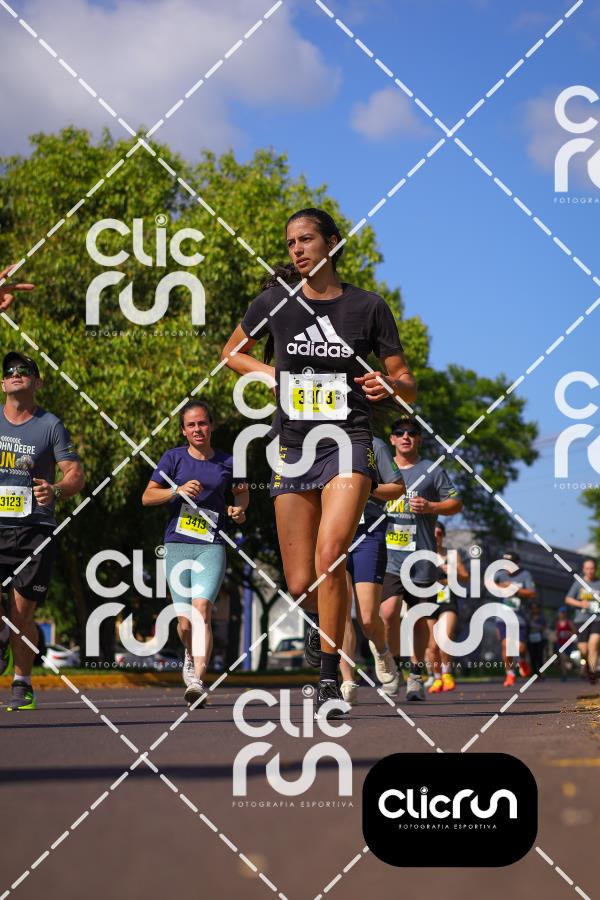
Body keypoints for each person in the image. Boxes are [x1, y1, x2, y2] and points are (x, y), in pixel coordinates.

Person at [221, 207, 416, 718]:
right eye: (291, 243)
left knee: (331, 556)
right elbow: (231, 352)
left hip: (348, 439)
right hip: (293, 446)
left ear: (332, 242)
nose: (297, 249)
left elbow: (406, 381)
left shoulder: (368, 307)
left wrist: (390, 385)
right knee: (298, 583)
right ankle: (351, 633)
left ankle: (329, 679)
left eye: (306, 239)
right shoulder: (275, 302)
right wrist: (274, 376)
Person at [142, 400, 249, 706]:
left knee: (202, 610)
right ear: (183, 431)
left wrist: (239, 510)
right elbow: (147, 497)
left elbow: (242, 493)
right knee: (185, 622)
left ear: (211, 426)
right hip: (177, 544)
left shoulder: (229, 461)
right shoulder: (173, 458)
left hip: (211, 545)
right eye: (191, 425)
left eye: (202, 423)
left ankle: (198, 682)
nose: (198, 429)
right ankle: (190, 654)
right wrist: (175, 490)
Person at [0, 351, 84, 711]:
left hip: (34, 529)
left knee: (21, 615)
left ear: (37, 381)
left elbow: (75, 474)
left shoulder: (50, 425)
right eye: (9, 371)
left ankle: (22, 682)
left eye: (24, 370)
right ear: (2, 383)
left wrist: (57, 490)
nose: (16, 373)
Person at [379, 415, 462, 701]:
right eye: (399, 432)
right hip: (389, 557)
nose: (406, 436)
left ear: (419, 439)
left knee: (418, 618)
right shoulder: (381, 468)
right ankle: (393, 668)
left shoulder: (431, 470)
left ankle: (416, 675)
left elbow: (456, 503)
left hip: (422, 559)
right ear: (392, 439)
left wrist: (431, 506)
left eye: (412, 432)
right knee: (388, 613)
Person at [338, 436, 406, 705]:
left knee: (367, 618)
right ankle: (347, 680)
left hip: (367, 533)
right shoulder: (320, 444)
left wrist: (369, 487)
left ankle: (382, 650)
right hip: (333, 532)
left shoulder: (373, 445)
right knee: (340, 613)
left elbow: (397, 488)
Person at [424, 522, 469, 693]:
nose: (436, 537)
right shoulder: (422, 554)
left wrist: (452, 570)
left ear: (443, 535)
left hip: (448, 600)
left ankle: (447, 674)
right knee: (432, 645)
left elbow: (465, 576)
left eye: (439, 533)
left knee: (446, 638)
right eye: (433, 533)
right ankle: (437, 678)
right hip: (428, 600)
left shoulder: (452, 555)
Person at [493, 549, 536, 687]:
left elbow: (532, 593)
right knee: (506, 645)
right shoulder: (499, 574)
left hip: (520, 617)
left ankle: (522, 660)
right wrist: (500, 587)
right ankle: (510, 673)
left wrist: (514, 589)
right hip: (503, 617)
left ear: (517, 563)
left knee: (521, 648)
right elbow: (489, 585)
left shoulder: (525, 575)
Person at [565, 558, 600, 684]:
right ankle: (588, 666)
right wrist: (580, 604)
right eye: (587, 568)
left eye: (592, 568)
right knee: (584, 649)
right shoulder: (578, 583)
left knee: (593, 644)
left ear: (595, 569)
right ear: (584, 569)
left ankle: (593, 672)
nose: (590, 571)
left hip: (597, 618)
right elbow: (568, 599)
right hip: (581, 620)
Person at [526, 600, 547, 676]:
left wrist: (536, 626)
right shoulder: (528, 617)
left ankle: (541, 673)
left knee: (540, 656)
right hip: (530, 639)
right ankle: (534, 673)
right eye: (532, 608)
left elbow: (544, 627)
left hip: (539, 639)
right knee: (532, 657)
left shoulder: (541, 618)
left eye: (536, 607)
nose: (534, 609)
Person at [554, 606, 575, 682]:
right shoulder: (557, 623)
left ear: (565, 614)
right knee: (562, 659)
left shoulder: (569, 622)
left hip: (568, 643)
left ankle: (571, 666)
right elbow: (556, 632)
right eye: (561, 612)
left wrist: (569, 633)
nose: (562, 614)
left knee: (567, 659)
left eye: (563, 612)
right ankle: (564, 675)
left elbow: (574, 631)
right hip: (560, 643)